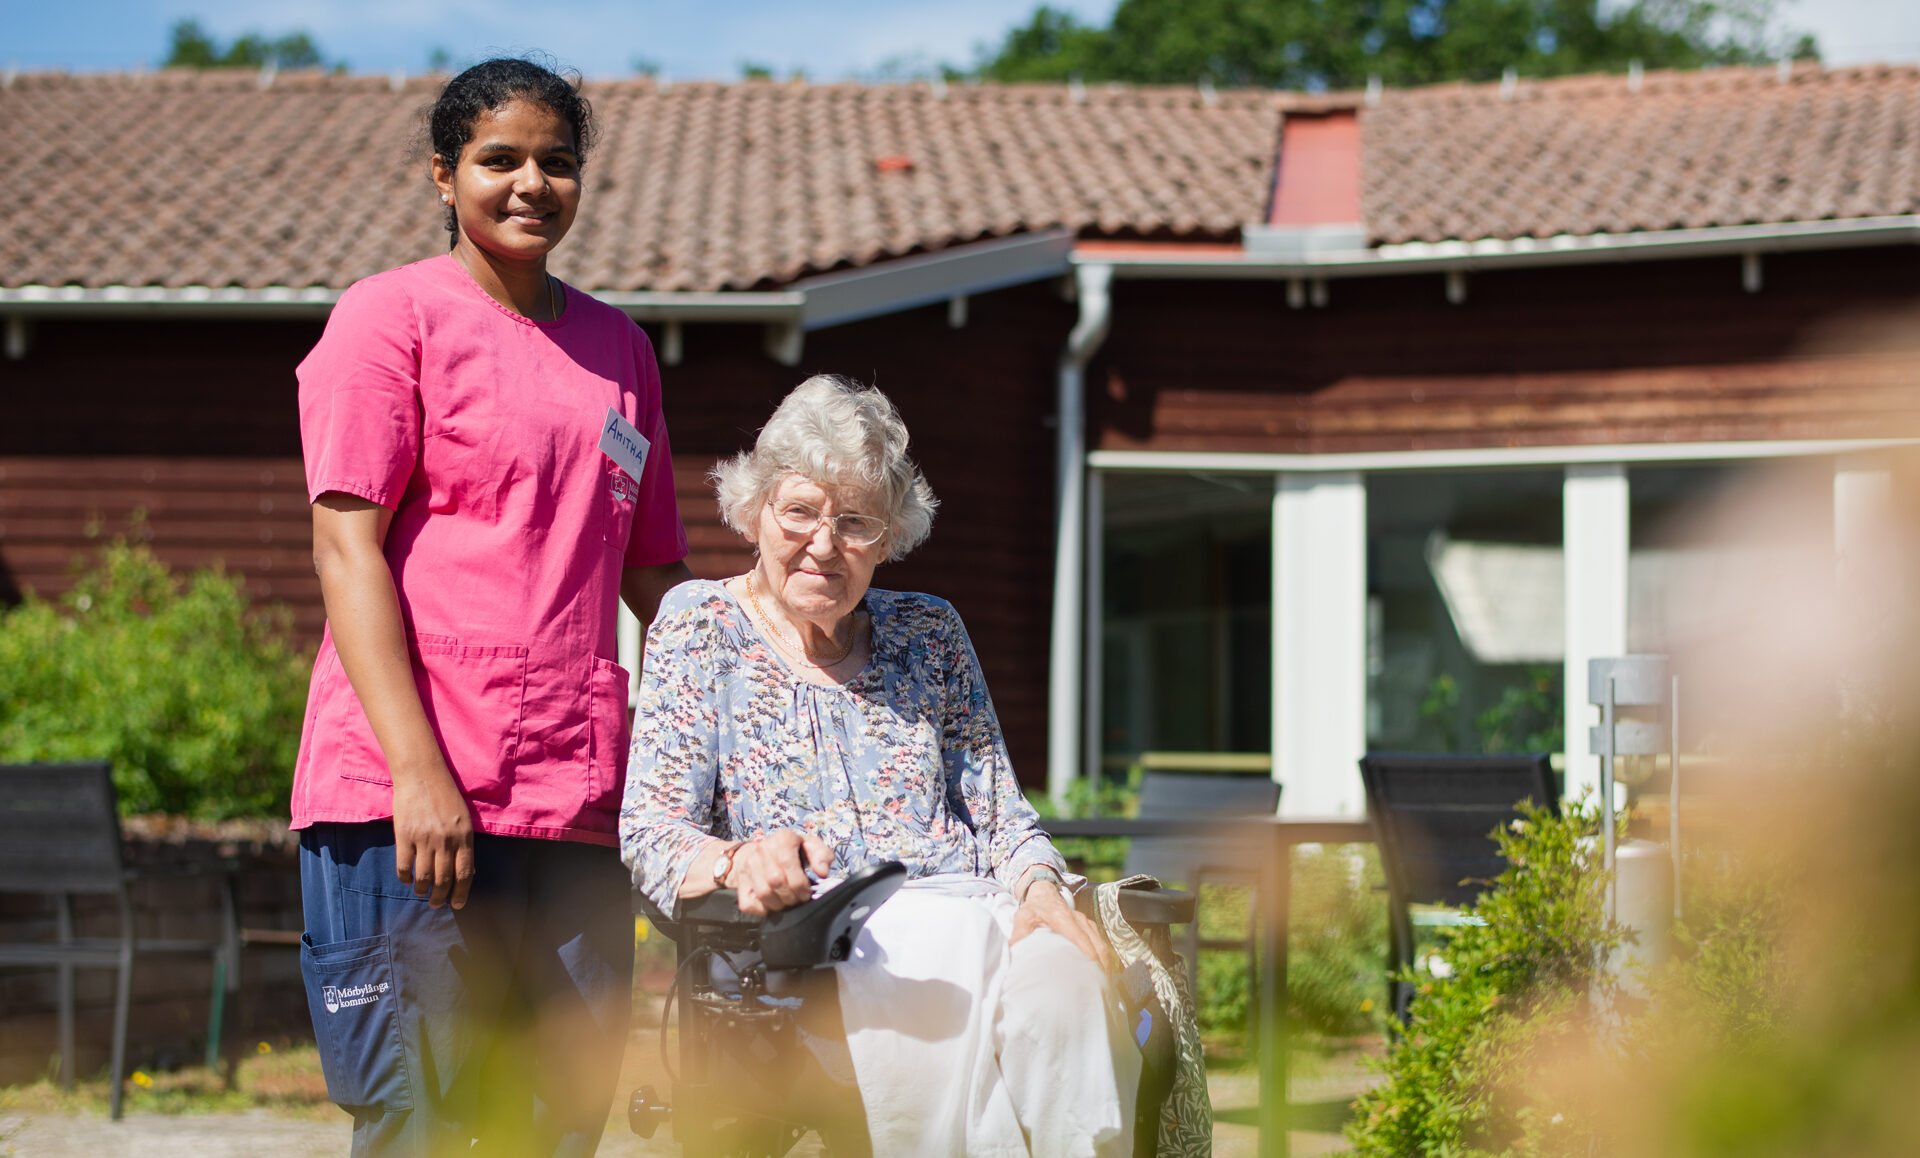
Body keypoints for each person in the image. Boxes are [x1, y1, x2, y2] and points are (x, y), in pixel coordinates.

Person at [293, 57, 692, 1157]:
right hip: (410, 800)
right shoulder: (390, 318)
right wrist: (417, 775)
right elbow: (345, 548)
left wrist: (773, 680)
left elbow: (656, 578)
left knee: (558, 1124)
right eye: (499, 159)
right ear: (444, 173)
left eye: (557, 162)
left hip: (576, 800)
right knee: (424, 1122)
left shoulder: (621, 352)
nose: (531, 184)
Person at [621, 376, 1140, 1157]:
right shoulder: (700, 627)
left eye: (855, 521)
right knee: (940, 989)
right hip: (824, 950)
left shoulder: (931, 633)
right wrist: (738, 861)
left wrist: (1039, 886)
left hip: (976, 916)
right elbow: (652, 832)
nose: (824, 544)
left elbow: (1003, 815)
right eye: (799, 512)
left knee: (1069, 989)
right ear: (757, 510)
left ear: (890, 536)